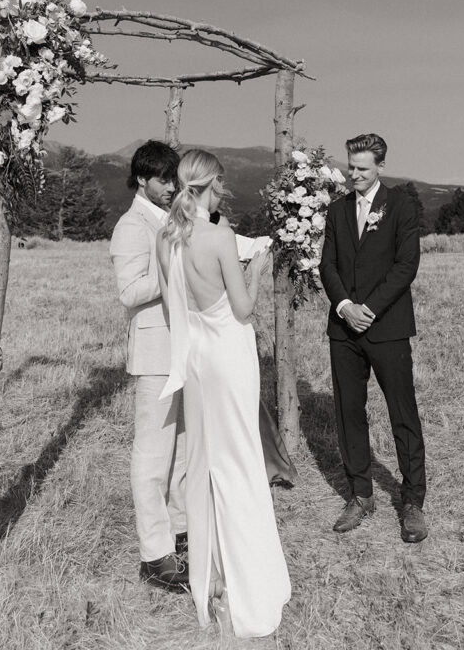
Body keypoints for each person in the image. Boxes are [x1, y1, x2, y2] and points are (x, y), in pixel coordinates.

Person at [156, 150, 291, 639]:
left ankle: (208, 576)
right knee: (240, 462)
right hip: (230, 358)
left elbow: (177, 310)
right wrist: (256, 264)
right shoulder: (219, 237)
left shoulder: (166, 237)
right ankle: (247, 580)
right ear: (212, 185)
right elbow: (244, 309)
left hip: (196, 361)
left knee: (206, 463)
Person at [319, 133, 428, 542]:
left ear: (381, 166)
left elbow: (406, 265)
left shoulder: (401, 206)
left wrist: (371, 309)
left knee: (403, 413)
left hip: (388, 328)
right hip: (344, 329)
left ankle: (413, 501)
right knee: (349, 412)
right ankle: (360, 494)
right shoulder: (337, 210)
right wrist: (345, 306)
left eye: (363, 169)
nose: (354, 175)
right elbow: (327, 265)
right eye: (351, 167)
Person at [109, 140, 189, 591]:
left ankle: (178, 534)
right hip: (156, 352)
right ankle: (153, 556)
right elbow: (128, 292)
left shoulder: (170, 219)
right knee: (153, 456)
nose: (169, 187)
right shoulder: (130, 225)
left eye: (173, 180)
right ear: (142, 178)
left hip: (183, 348)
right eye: (162, 179)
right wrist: (173, 268)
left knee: (180, 450)